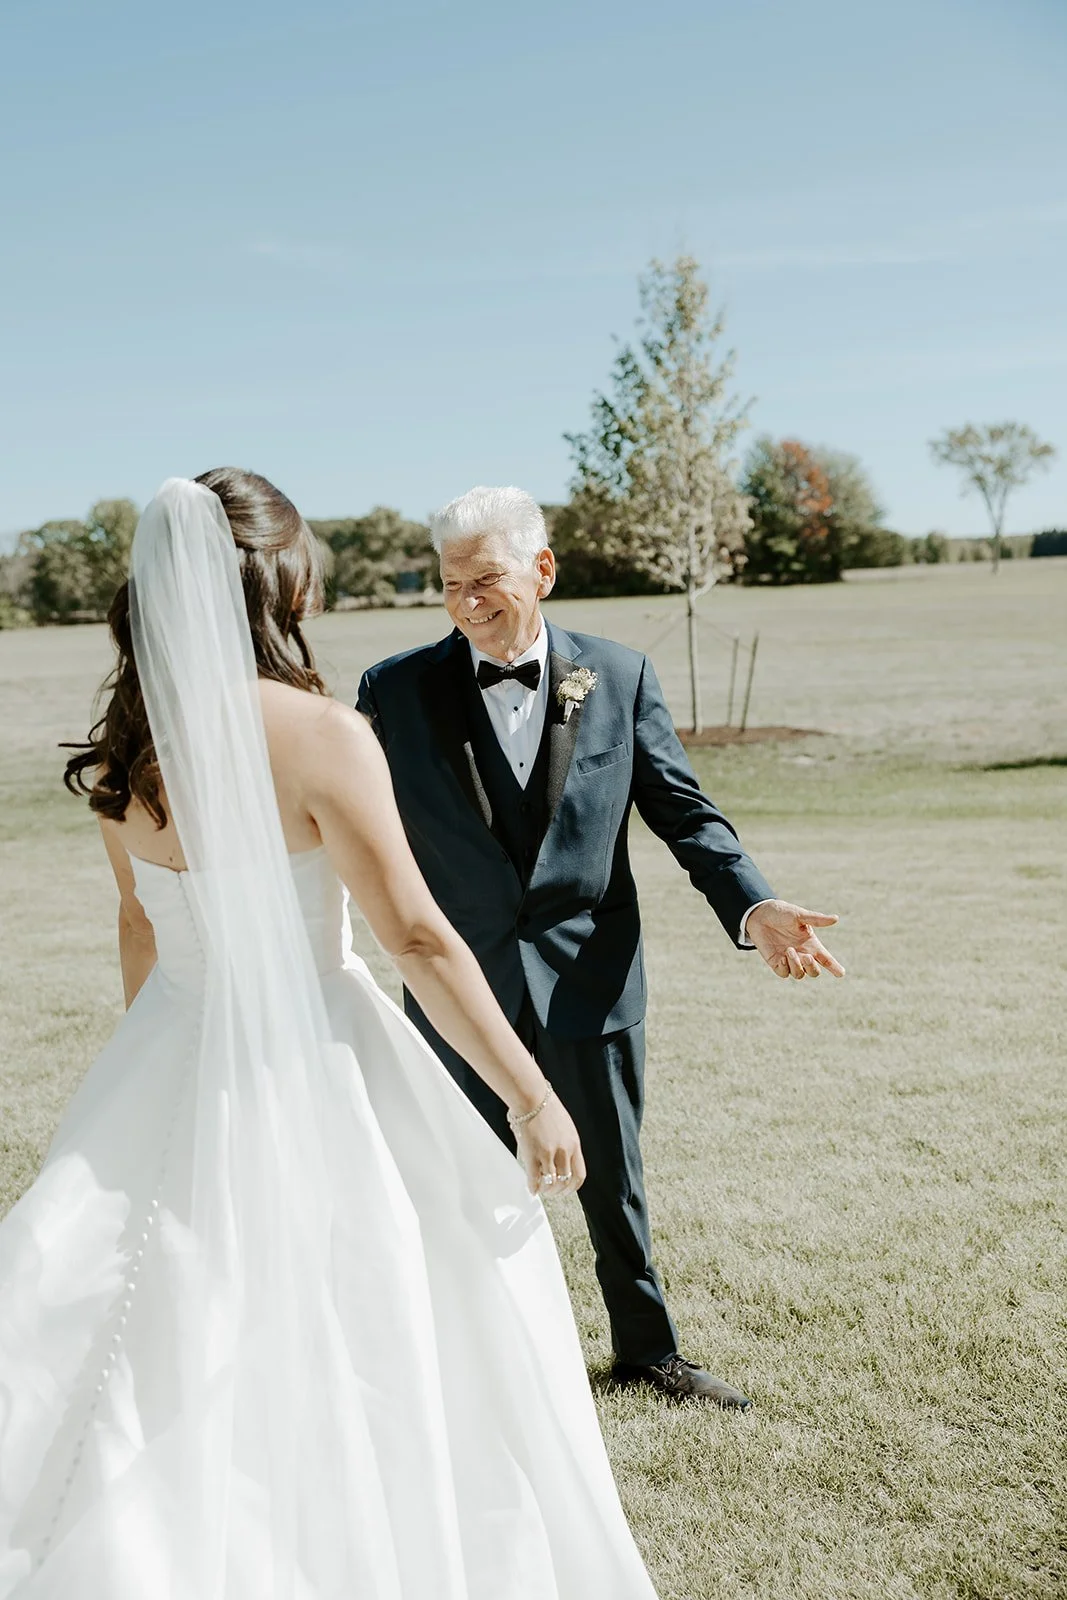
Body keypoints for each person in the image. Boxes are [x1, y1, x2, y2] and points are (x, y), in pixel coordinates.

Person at [0, 472, 659, 1599]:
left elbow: (138, 927)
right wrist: (530, 1093)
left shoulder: (128, 752)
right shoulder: (323, 735)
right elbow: (416, 936)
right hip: (319, 1048)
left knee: (149, 1307)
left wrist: (153, 1075)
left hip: (165, 1046)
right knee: (408, 1294)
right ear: (277, 580)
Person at [358, 486, 844, 1410]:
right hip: (462, 986)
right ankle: (466, 1364)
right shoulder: (394, 689)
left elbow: (683, 814)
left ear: (542, 570)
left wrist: (752, 904)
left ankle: (647, 1354)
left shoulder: (617, 675)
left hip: (592, 976)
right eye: (451, 584)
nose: (466, 601)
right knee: (457, 1178)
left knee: (613, 1180)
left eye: (485, 579)